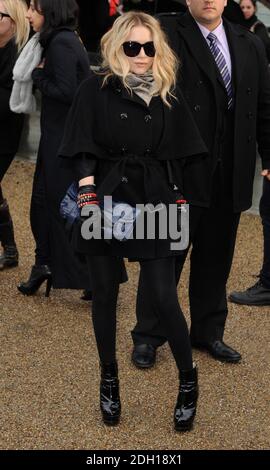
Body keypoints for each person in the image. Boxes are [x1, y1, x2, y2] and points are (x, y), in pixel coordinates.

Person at [59, 11, 207, 430]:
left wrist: (181, 201)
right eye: (132, 47)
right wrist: (86, 193)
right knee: (104, 292)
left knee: (163, 295)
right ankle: (108, 380)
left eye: (149, 47)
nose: (142, 55)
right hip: (103, 197)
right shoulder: (94, 90)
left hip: (155, 199)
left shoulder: (167, 94)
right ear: (116, 47)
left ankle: (187, 380)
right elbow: (81, 145)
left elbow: (183, 155)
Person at [131, 0, 270, 368]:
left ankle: (208, 333)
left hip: (230, 172)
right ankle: (148, 335)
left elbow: (265, 106)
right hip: (176, 170)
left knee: (216, 259)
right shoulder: (164, 33)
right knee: (163, 255)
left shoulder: (249, 42)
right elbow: (138, 89)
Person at [17, 0, 91, 296]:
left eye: (33, 8)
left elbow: (67, 91)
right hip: (57, 139)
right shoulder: (62, 39)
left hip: (63, 142)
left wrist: (36, 76)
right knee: (43, 205)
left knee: (62, 207)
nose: (27, 14)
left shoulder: (60, 43)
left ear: (49, 11)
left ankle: (90, 275)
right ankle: (44, 264)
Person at [0, 0, 29, 270]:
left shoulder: (19, 55)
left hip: (5, 135)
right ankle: (10, 250)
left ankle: (10, 250)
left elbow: (10, 103)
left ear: (13, 20)